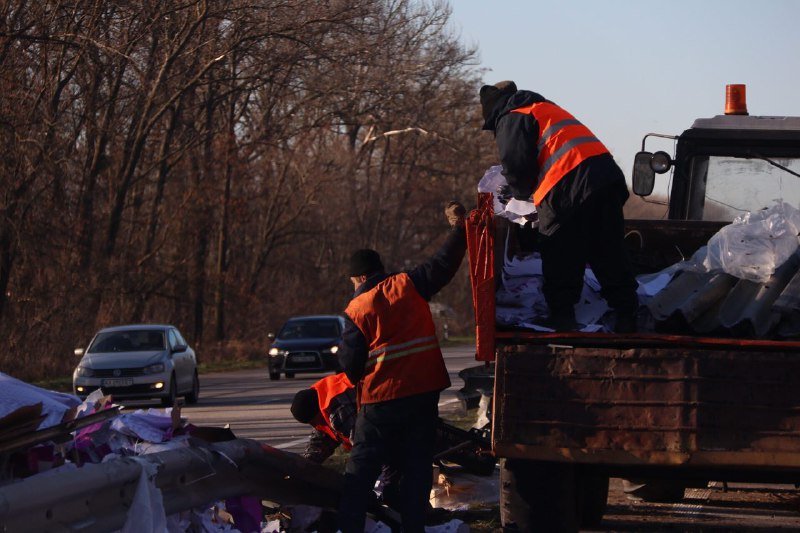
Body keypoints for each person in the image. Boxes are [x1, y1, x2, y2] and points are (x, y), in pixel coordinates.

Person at [336, 201, 467, 533]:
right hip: (422, 396)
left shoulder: (357, 308)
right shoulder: (408, 285)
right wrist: (460, 231)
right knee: (416, 469)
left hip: (380, 402)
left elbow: (350, 366)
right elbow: (442, 264)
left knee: (360, 473)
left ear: (360, 277)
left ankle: (349, 528)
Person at [480, 80, 639, 333]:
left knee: (559, 248)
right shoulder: (544, 109)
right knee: (607, 249)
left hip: (569, 184)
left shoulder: (512, 115)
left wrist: (519, 192)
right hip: (606, 180)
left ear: (492, 112)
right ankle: (628, 315)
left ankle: (562, 318)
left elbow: (516, 163)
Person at [290, 372, 357, 464]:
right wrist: (306, 464)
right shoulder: (319, 396)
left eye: (314, 422)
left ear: (317, 415)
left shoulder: (338, 410)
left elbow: (364, 443)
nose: (317, 426)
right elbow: (322, 439)